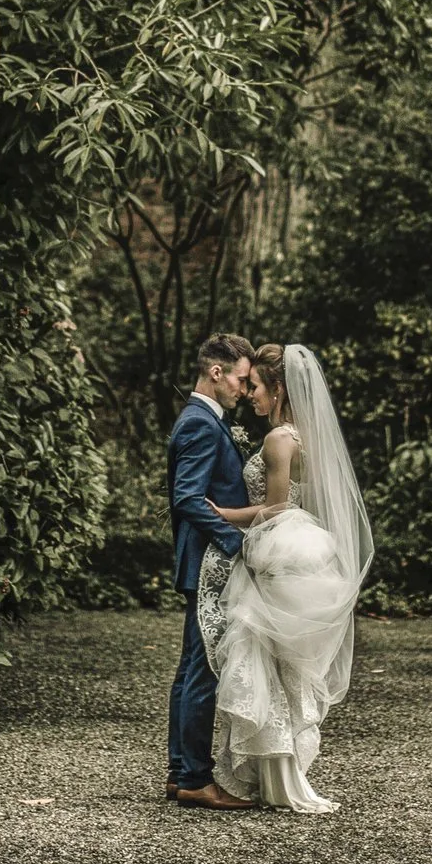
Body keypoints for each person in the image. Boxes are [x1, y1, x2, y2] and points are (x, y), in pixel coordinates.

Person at [197, 342, 374, 812]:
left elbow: (276, 508)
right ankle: (278, 771)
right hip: (304, 549)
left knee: (264, 659)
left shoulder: (280, 439)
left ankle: (268, 775)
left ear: (277, 389)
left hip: (279, 546)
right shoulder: (306, 437)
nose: (249, 394)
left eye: (255, 386)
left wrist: (225, 513)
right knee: (286, 667)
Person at [166, 332, 261, 810]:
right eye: (242, 381)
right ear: (217, 372)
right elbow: (187, 498)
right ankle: (196, 779)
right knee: (202, 670)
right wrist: (236, 541)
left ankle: (180, 771)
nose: (245, 391)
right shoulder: (201, 423)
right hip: (209, 560)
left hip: (200, 557)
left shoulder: (205, 419)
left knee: (191, 668)